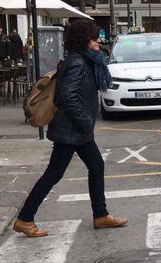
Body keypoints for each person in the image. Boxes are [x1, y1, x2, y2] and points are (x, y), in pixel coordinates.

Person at [12, 18, 127, 236]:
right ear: (84, 40)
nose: (97, 41)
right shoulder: (77, 62)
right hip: (72, 130)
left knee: (95, 166)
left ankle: (101, 215)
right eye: (93, 38)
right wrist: (85, 120)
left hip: (76, 130)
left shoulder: (84, 60)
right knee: (54, 174)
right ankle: (25, 218)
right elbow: (68, 96)